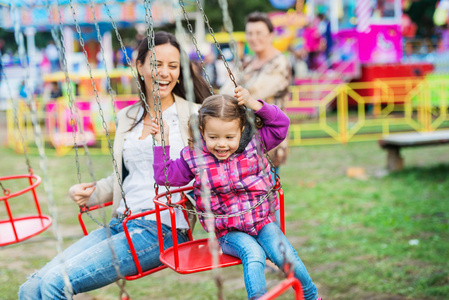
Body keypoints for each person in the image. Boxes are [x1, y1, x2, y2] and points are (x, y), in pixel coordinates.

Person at [18, 31, 210, 300]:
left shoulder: (195, 115)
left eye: (173, 66)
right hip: (122, 223)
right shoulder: (127, 116)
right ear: (139, 66)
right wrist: (93, 192)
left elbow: (223, 160)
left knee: (53, 285)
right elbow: (127, 175)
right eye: (156, 64)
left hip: (163, 229)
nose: (164, 73)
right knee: (31, 288)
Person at [152, 87, 319, 300]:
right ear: (202, 131)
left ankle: (311, 296)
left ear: (242, 130)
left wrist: (253, 103)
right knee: (253, 254)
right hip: (228, 232)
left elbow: (280, 125)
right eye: (213, 137)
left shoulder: (255, 143)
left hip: (262, 221)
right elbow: (165, 177)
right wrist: (161, 141)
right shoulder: (194, 158)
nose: (222, 144)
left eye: (230, 137)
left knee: (285, 254)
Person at [221, 11, 291, 226]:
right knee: (247, 199)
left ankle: (274, 252)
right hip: (243, 141)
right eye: (250, 33)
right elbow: (225, 90)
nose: (254, 38)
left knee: (267, 198)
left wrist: (234, 94)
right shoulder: (248, 63)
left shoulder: (280, 62)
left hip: (268, 139)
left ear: (271, 34)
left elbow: (256, 91)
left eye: (259, 32)